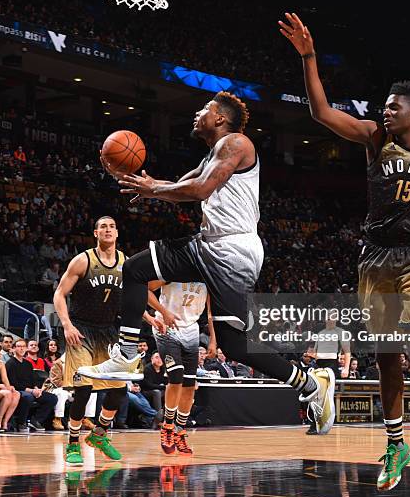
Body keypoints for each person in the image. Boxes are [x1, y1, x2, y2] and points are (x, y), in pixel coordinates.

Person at [279, 12, 410, 493]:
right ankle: (395, 445)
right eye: (383, 107)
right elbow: (321, 114)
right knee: (387, 354)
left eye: (392, 108)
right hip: (375, 257)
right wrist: (309, 58)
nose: (383, 111)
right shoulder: (374, 138)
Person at [86, 92, 335, 437]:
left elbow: (199, 190)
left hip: (231, 249)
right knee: (143, 275)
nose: (198, 114)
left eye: (205, 109)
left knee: (141, 274)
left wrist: (153, 189)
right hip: (212, 245)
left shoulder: (237, 143)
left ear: (219, 118)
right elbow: (179, 186)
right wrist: (140, 183)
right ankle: (308, 385)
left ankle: (127, 354)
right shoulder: (212, 155)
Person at [52, 215, 165, 465]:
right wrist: (67, 324)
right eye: (103, 226)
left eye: (112, 226)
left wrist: (150, 319)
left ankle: (100, 434)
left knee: (118, 390)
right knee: (83, 390)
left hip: (108, 331)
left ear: (116, 233)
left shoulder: (127, 263)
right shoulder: (83, 260)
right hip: (81, 330)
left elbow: (134, 299)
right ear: (95, 233)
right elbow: (59, 294)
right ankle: (72, 443)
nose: (108, 230)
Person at [149, 280, 215, 454]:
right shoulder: (172, 269)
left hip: (191, 331)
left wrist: (213, 339)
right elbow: (145, 290)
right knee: (176, 376)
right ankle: (168, 425)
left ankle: (180, 430)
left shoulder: (206, 274)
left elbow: (210, 312)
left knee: (189, 385)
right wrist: (163, 312)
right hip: (166, 327)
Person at [5, 339, 58, 432]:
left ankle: (36, 420)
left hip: (31, 389)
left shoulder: (28, 364)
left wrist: (37, 389)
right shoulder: (10, 364)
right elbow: (13, 383)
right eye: (19, 346)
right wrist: (31, 390)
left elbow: (33, 380)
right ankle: (21, 422)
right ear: (13, 349)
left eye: (23, 346)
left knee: (52, 398)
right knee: (28, 397)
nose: (21, 349)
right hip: (18, 390)